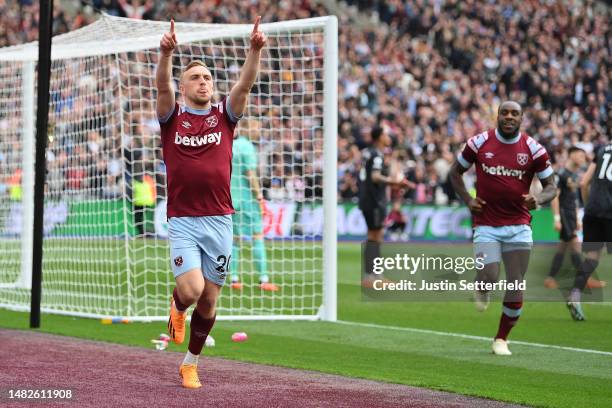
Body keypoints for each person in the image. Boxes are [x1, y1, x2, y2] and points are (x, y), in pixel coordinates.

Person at [156, 16, 266, 388]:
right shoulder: (173, 118)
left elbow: (246, 83)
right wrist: (166, 56)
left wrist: (254, 50)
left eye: (206, 78)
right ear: (183, 87)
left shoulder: (224, 116)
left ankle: (190, 363)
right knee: (190, 291)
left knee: (209, 303)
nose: (202, 82)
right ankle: (176, 306)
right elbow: (160, 89)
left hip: (220, 220)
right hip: (184, 219)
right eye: (195, 78)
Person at [449, 101, 557, 356]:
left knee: (515, 282)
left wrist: (538, 199)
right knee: (489, 273)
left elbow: (552, 186)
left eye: (514, 113)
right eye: (505, 113)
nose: (509, 117)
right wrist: (468, 200)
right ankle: (482, 286)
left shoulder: (534, 149)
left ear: (521, 118)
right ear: (497, 116)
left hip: (519, 226)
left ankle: (501, 339)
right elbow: (455, 173)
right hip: (486, 224)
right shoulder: (479, 143)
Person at [359, 125, 411, 287]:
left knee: (372, 236)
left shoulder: (369, 152)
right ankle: (375, 277)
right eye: (386, 134)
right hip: (375, 200)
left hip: (367, 199)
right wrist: (395, 182)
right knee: (377, 236)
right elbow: (375, 177)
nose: (389, 137)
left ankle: (371, 276)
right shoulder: (376, 155)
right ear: (379, 137)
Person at [230, 119, 278, 291]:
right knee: (257, 236)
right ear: (246, 129)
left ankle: (234, 278)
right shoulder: (248, 147)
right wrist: (259, 197)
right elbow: (250, 174)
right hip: (247, 200)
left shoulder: (231, 146)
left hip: (230, 200)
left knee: (234, 240)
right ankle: (263, 279)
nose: (259, 131)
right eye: (256, 127)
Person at [567, 143, 612, 321]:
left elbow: (584, 182)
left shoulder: (601, 150)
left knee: (592, 257)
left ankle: (575, 296)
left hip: (593, 211)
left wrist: (588, 206)